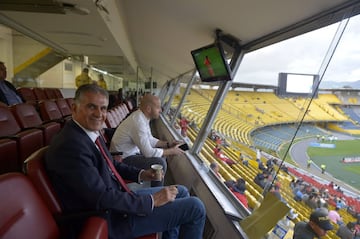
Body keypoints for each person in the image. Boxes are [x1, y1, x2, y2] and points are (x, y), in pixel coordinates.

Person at [45, 84, 206, 239]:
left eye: (103, 108)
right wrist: (151, 201)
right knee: (195, 207)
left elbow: (111, 165)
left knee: (181, 192)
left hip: (116, 200)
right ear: (74, 108)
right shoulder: (71, 146)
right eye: (91, 107)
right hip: (109, 218)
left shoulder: (88, 133)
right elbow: (100, 198)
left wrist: (143, 174)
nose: (98, 114)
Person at [110, 93, 184, 186]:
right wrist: (171, 151)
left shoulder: (142, 117)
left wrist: (168, 144)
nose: (160, 110)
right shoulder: (138, 122)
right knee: (160, 163)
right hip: (122, 159)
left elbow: (149, 139)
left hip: (129, 153)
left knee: (161, 157)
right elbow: (148, 152)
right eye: (158, 108)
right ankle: (158, 194)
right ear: (149, 109)